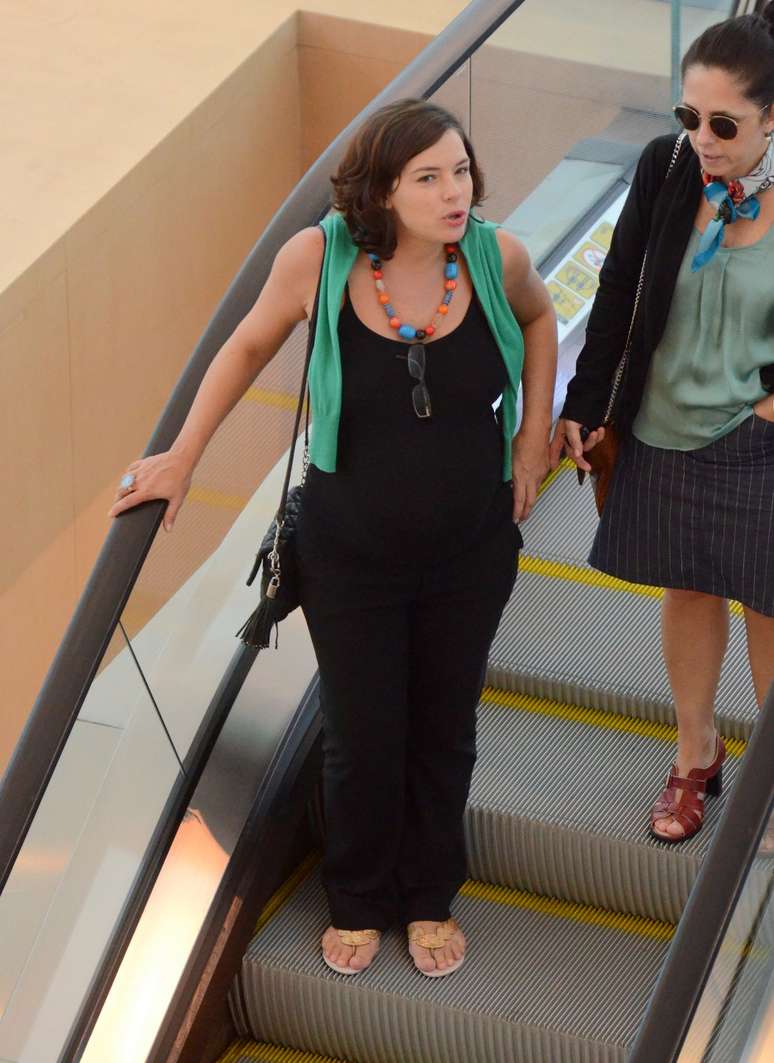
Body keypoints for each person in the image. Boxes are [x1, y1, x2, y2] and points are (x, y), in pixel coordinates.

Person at [109, 99, 558, 975]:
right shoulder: (319, 258)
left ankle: (429, 894)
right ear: (383, 191)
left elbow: (541, 322)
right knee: (362, 730)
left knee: (445, 725)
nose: (453, 192)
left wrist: (533, 435)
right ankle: (357, 894)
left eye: (460, 171)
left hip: (472, 546)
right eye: (427, 178)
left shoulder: (498, 257)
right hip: (350, 550)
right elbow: (244, 346)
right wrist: (183, 455)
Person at [550, 5, 774, 845]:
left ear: (772, 118)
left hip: (758, 434)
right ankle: (696, 752)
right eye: (690, 116)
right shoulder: (668, 166)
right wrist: (585, 401)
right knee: (688, 585)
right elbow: (618, 289)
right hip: (665, 420)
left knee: (769, 603)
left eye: (724, 123)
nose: (703, 138)